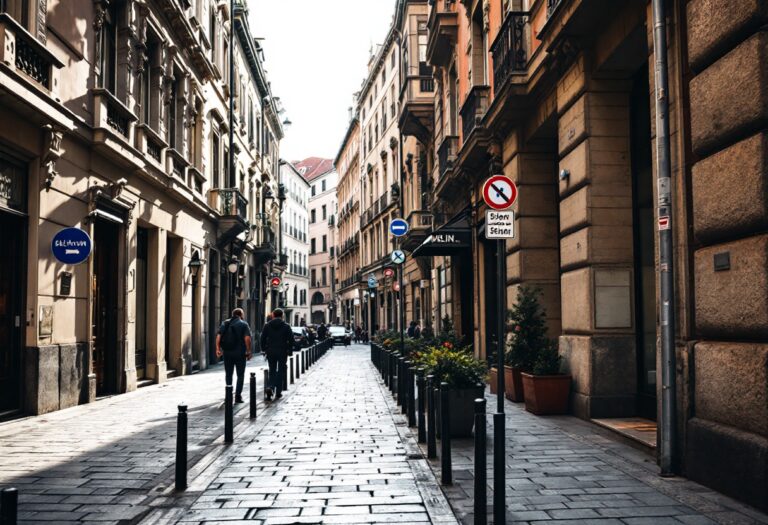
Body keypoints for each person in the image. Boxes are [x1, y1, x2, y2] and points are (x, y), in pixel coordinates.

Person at [216, 308, 252, 403]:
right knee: (240, 375)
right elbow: (247, 338)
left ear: (233, 314)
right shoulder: (244, 324)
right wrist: (248, 351)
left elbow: (218, 336)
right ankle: (237, 396)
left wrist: (217, 349)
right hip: (240, 353)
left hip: (227, 352)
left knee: (228, 374)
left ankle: (228, 395)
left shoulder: (225, 323)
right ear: (241, 315)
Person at [259, 308, 294, 400]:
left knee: (272, 370)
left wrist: (263, 349)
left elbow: (262, 338)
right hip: (282, 351)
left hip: (270, 351)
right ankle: (278, 391)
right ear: (282, 316)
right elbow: (291, 340)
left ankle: (270, 387)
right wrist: (290, 351)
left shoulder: (267, 325)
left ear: (273, 315)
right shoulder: (286, 326)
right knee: (281, 370)